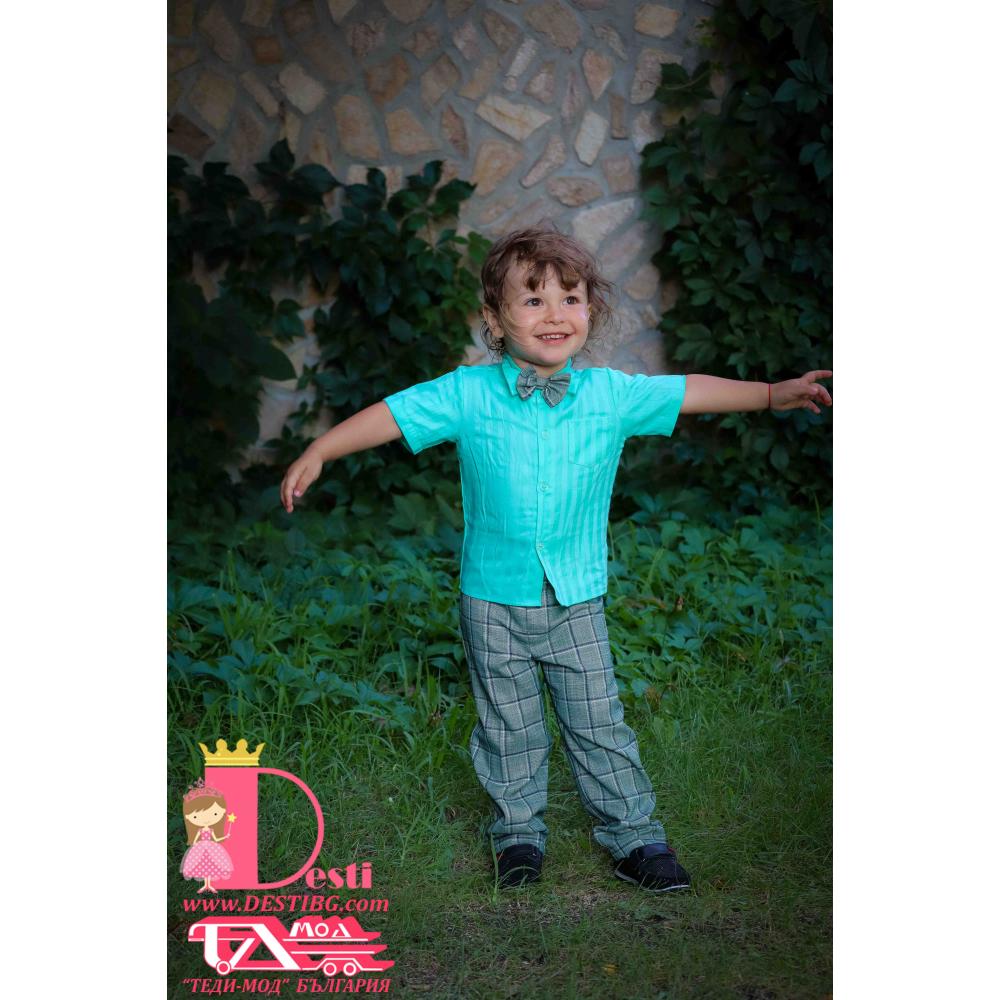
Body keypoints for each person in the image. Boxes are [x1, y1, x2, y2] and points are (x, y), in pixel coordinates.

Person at [280, 226, 832, 893]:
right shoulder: (467, 394)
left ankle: (635, 837)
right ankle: (518, 834)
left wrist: (770, 394)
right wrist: (320, 450)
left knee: (598, 722)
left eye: (570, 299)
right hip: (492, 598)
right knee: (508, 727)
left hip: (575, 598)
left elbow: (687, 391)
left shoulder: (610, 395)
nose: (555, 315)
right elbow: (394, 415)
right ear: (494, 319)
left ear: (590, 311)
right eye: (533, 300)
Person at [181, 779, 234, 894]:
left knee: (212, 864)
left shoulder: (211, 829)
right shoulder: (199, 830)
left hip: (211, 847)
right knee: (203, 864)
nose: (206, 819)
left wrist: (226, 836)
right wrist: (195, 846)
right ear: (189, 817)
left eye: (215, 813)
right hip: (201, 847)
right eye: (195, 816)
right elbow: (195, 839)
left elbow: (216, 838)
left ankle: (208, 885)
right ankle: (206, 885)